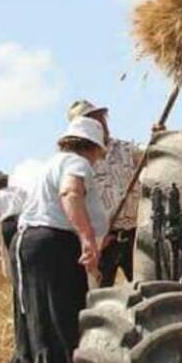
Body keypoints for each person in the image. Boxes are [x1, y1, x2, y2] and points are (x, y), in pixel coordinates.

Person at [0, 116, 108, 363]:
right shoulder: (76, 163)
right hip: (53, 247)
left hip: (28, 244)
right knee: (67, 321)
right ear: (92, 147)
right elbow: (70, 193)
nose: (98, 159)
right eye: (99, 151)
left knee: (33, 321)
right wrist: (86, 239)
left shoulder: (52, 162)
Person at [67, 99, 142, 287]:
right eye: (93, 119)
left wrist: (158, 139)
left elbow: (151, 157)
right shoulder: (76, 161)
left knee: (147, 287)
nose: (101, 123)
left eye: (101, 118)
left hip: (135, 235)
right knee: (99, 293)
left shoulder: (126, 148)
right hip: (104, 240)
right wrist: (95, 237)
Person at [0, 170, 26, 281]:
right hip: (25, 223)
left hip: (9, 226)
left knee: (10, 259)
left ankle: (16, 283)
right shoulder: (19, 192)